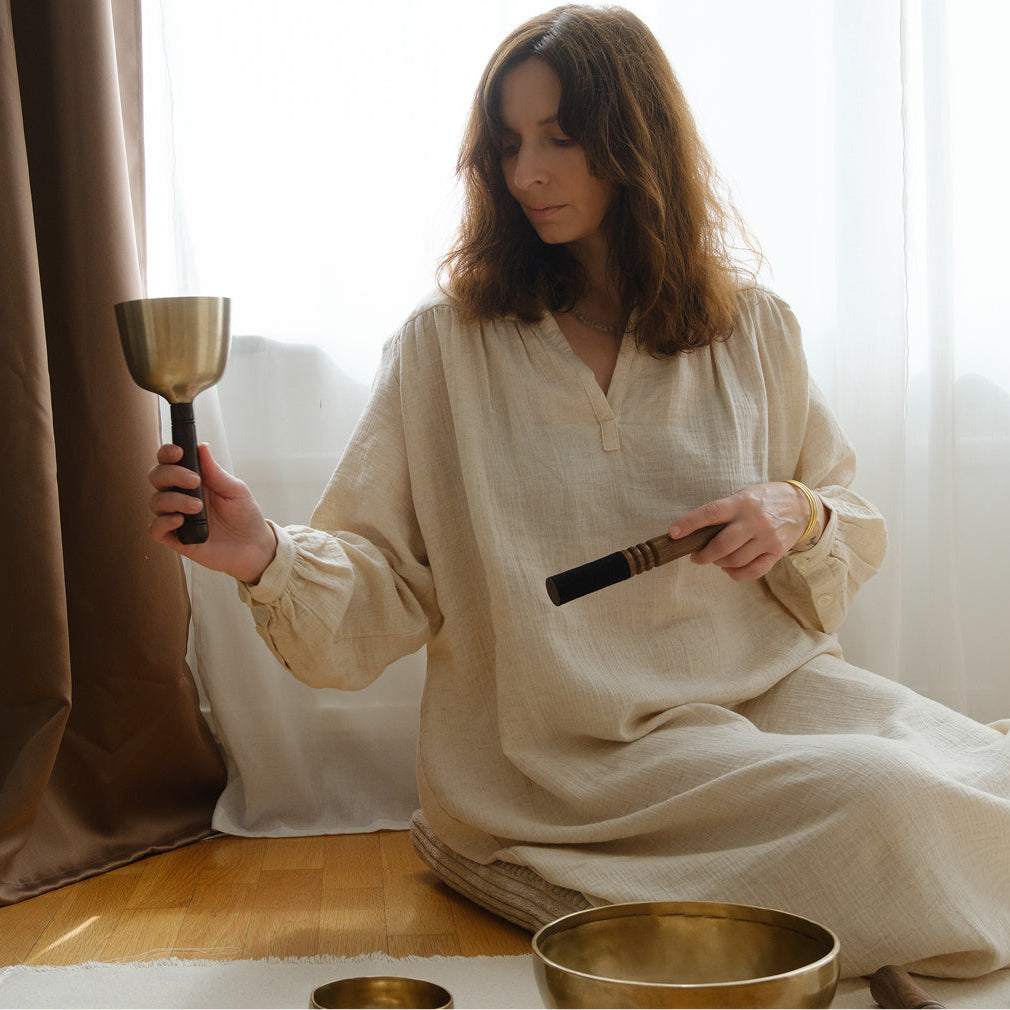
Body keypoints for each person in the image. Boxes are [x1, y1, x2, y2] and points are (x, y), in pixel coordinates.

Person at [149, 5, 1010, 980]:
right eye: (508, 144)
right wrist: (261, 550)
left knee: (986, 777)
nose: (526, 174)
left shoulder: (754, 328)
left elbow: (842, 510)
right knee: (890, 801)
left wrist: (793, 510)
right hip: (570, 761)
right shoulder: (445, 347)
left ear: (633, 140)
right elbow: (386, 580)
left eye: (559, 138)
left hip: (777, 695)